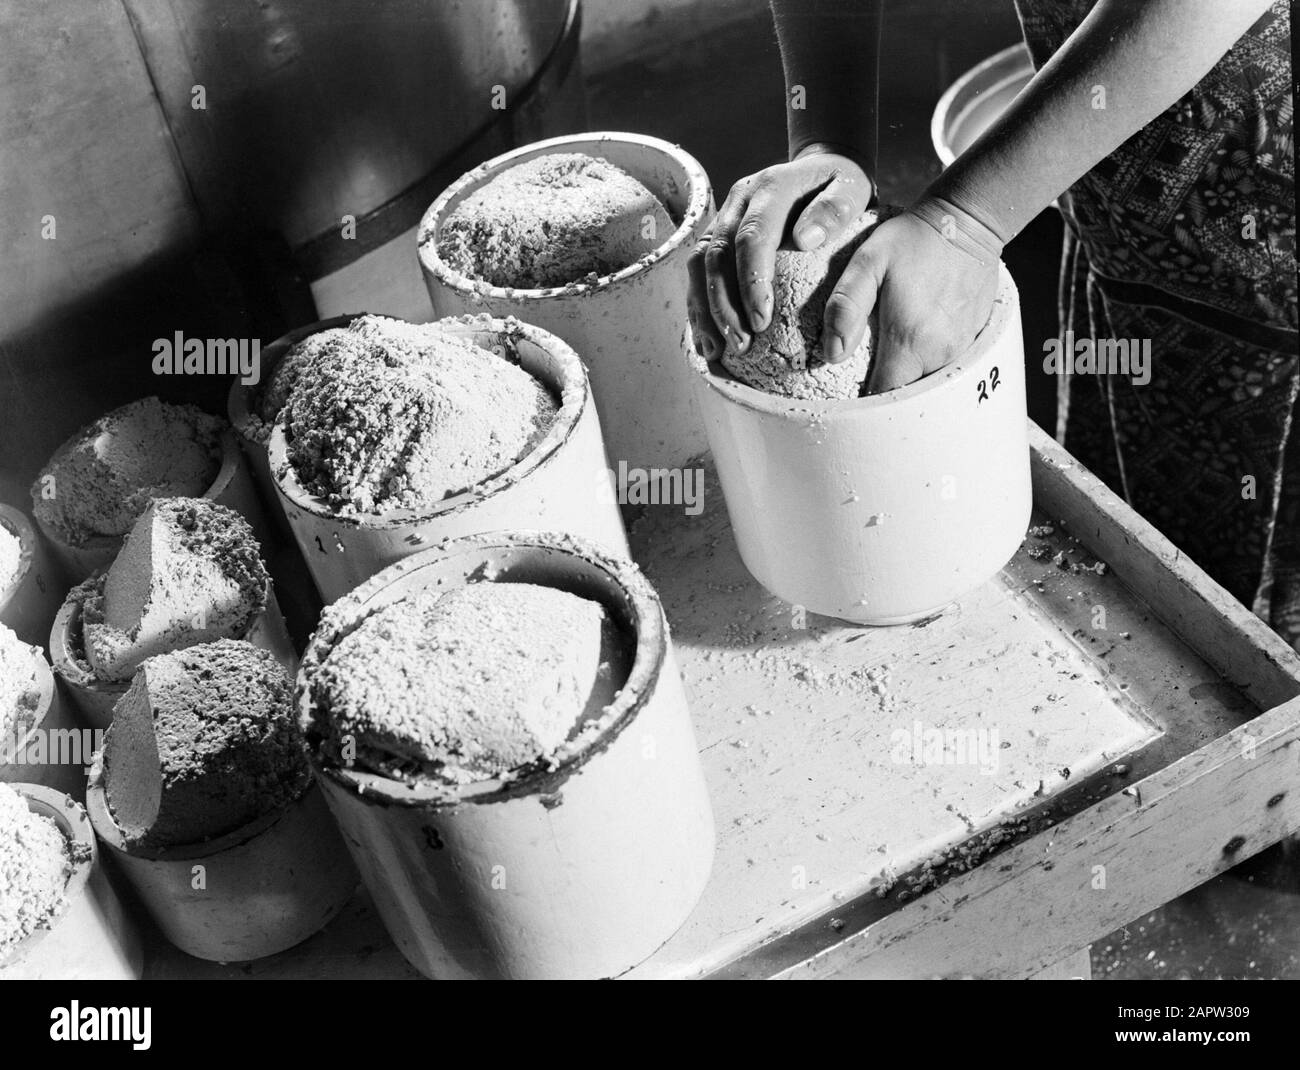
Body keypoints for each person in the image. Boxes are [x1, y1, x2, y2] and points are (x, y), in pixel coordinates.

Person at [689, 0, 1297, 645]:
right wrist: (828, 140)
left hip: (1270, 233)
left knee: (1248, 626)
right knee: (1144, 541)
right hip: (1121, 215)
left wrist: (970, 219)